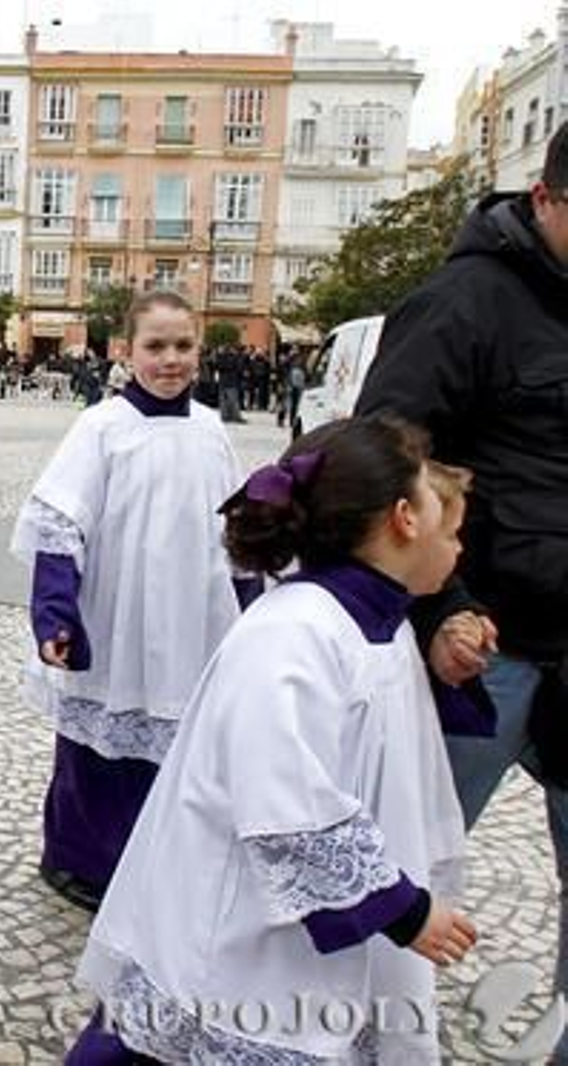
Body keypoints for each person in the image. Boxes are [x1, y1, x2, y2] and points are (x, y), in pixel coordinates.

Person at [69, 416, 473, 1063]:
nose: (459, 548)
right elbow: (287, 799)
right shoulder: (294, 635)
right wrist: (402, 908)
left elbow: (385, 745)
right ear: (404, 518)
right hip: (243, 938)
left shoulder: (378, 622)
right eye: (450, 528)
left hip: (318, 943)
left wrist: (446, 668)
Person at [354, 122, 568, 1056]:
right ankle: (331, 1036)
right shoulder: (460, 302)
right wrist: (441, 610)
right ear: (547, 198)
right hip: (487, 651)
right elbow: (384, 465)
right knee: (401, 863)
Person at [10, 290, 245, 912]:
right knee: (97, 747)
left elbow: (237, 527)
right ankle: (74, 858)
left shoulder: (211, 429)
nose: (170, 359)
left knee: (173, 741)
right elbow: (60, 524)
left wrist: (250, 606)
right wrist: (54, 614)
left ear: (200, 350)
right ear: (127, 351)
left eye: (183, 346)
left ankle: (154, 857)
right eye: (156, 346)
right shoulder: (103, 427)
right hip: (116, 613)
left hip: (191, 618)